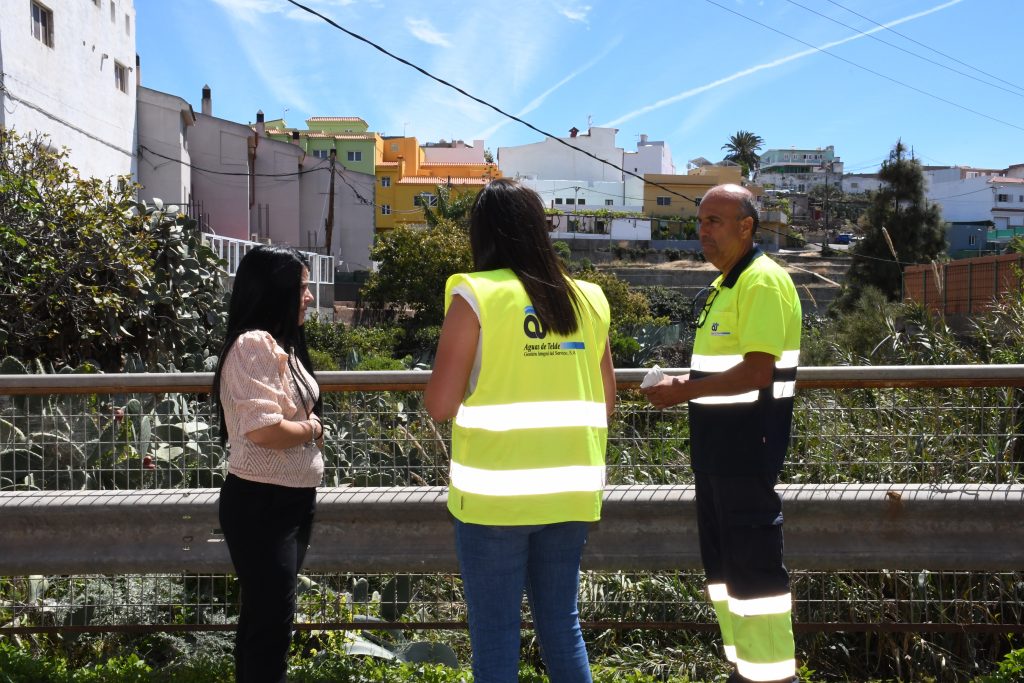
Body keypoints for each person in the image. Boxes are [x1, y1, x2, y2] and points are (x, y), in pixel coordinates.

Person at [424, 178, 616, 683]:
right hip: (570, 494)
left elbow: (440, 405)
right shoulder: (590, 299)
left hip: (495, 501)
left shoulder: (477, 295)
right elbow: (607, 401)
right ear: (539, 230)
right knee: (562, 627)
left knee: (495, 635)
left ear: (483, 234)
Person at [641, 184, 801, 683]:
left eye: (715, 221)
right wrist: (682, 386)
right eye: (701, 221)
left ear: (746, 226)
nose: (703, 232)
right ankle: (746, 668)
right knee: (727, 575)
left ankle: (774, 676)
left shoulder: (760, 282)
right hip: (718, 456)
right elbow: (723, 373)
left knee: (754, 577)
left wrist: (680, 392)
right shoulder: (727, 285)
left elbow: (757, 373)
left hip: (745, 455)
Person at [212, 244, 325, 683]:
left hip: (291, 501)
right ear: (274, 289)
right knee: (270, 624)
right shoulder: (253, 345)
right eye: (302, 287)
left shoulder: (283, 345)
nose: (309, 297)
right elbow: (265, 430)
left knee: (267, 619)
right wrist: (313, 430)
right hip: (263, 503)